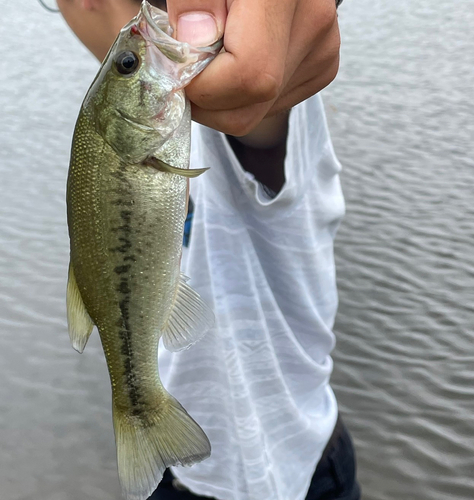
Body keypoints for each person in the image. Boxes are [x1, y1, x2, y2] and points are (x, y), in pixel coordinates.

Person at [53, 0, 360, 499]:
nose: (137, 27)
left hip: (305, 468)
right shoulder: (120, 107)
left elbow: (263, 96)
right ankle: (137, 409)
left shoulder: (238, 104)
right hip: (174, 478)